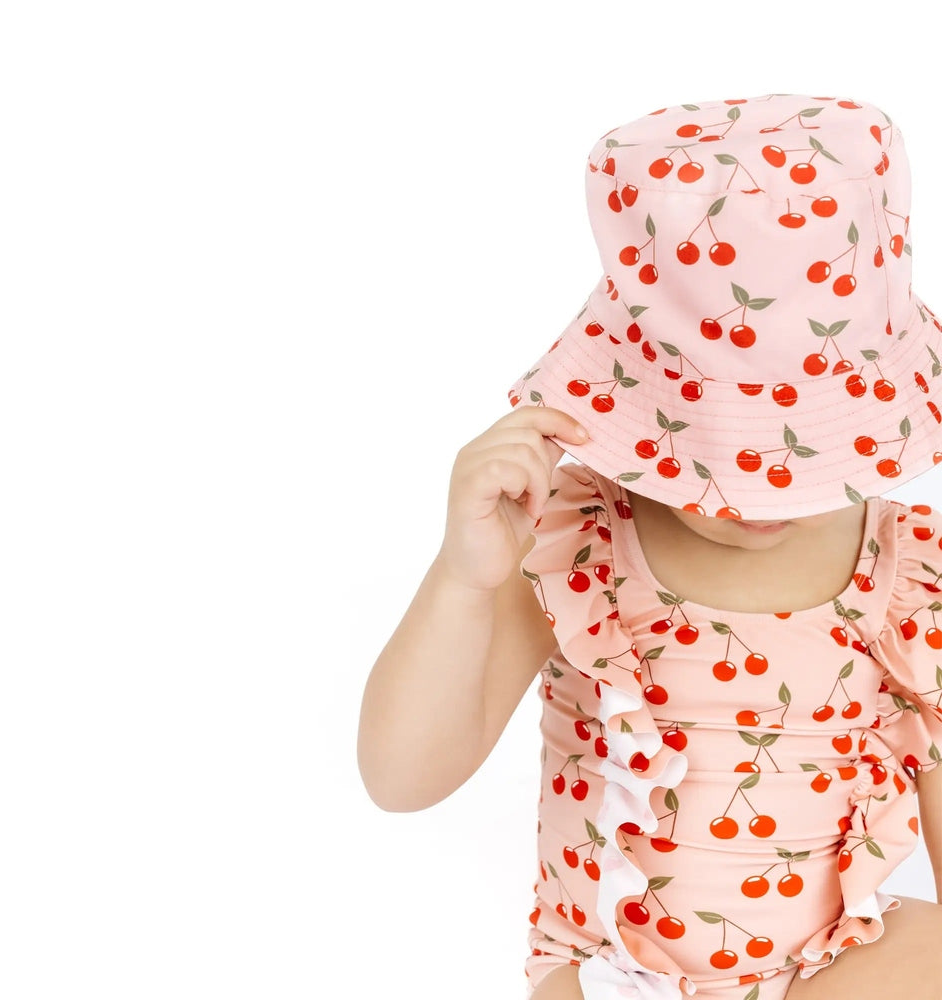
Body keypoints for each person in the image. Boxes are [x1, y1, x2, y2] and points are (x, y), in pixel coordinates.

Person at [356, 93, 942, 999]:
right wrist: (462, 581)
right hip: (613, 967)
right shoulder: (575, 539)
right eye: (725, 449)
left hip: (824, 967)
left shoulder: (909, 574)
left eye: (799, 451)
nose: (760, 493)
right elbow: (402, 779)